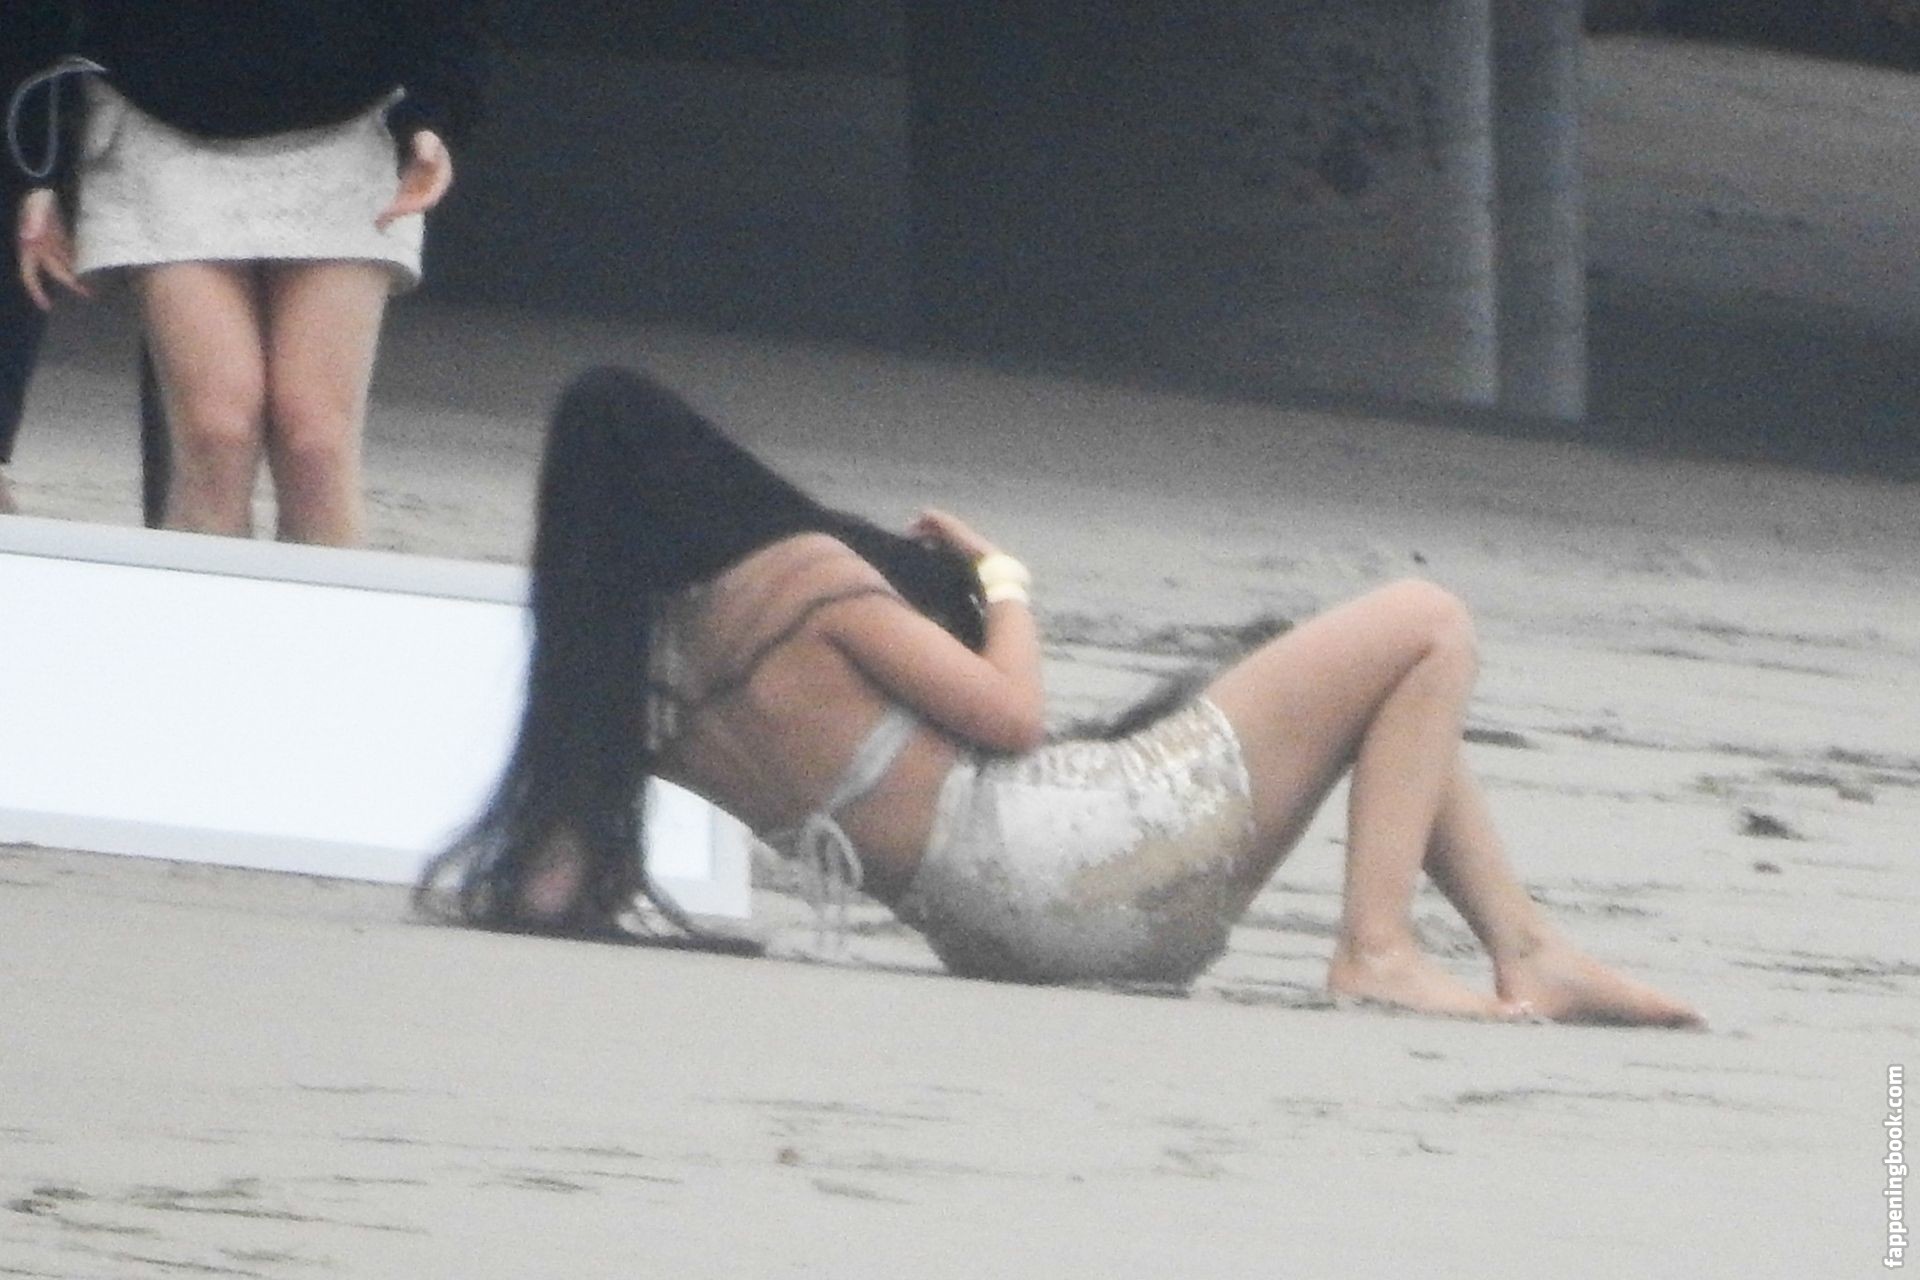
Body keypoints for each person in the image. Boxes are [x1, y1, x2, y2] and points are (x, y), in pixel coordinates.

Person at [419, 366, 1704, 1028]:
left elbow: (550, 885)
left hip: (996, 940)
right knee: (1425, 622)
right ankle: (1381, 950)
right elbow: (1013, 717)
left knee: (1358, 678)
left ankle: (1525, 947)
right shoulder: (803, 581)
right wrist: (1004, 580)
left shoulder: (629, 693)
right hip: (1073, 853)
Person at [10, 2, 486, 544]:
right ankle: (202, 599)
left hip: (354, 121)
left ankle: (319, 602)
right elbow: (36, 18)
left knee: (316, 441)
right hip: (158, 115)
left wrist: (437, 114)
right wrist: (39, 171)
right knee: (217, 433)